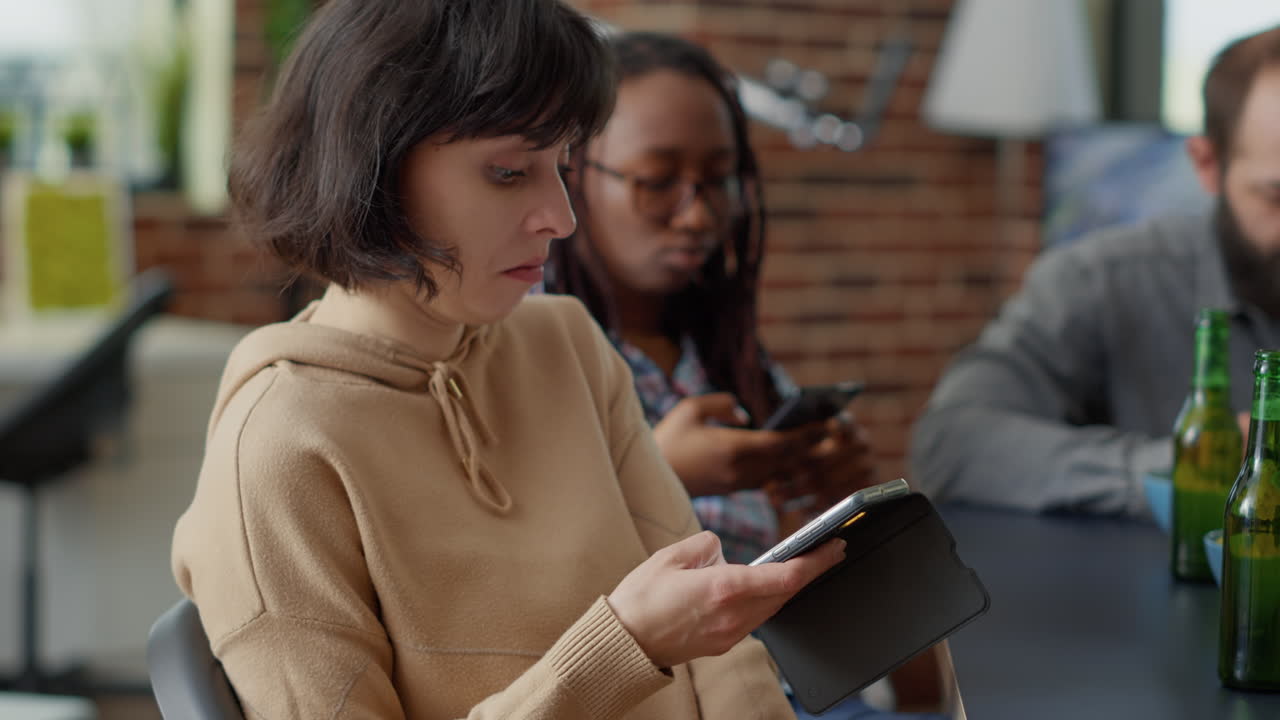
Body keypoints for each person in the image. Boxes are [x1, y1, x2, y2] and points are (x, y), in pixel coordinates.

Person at [169, 2, 848, 718]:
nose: (561, 217)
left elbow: (722, 644)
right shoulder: (278, 449)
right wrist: (622, 648)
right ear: (376, 163)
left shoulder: (567, 343)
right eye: (508, 172)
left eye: (561, 167)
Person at [546, 31, 949, 719]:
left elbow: (914, 683)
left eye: (719, 180)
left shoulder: (728, 357)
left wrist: (839, 505)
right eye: (657, 182)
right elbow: (515, 597)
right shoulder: (529, 353)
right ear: (572, 172)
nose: (698, 215)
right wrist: (656, 476)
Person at [911, 25, 1280, 517]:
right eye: (1277, 197)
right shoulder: (1104, 279)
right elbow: (951, 443)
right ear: (1207, 164)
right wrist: (1191, 465)